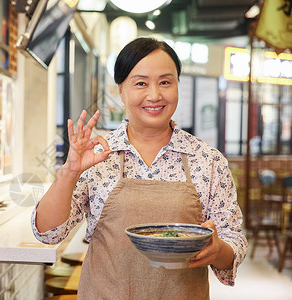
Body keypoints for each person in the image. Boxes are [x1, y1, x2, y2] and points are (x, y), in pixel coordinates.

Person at [31, 37, 248, 299]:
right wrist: (69, 171)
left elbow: (234, 243)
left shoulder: (208, 160)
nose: (155, 95)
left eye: (165, 82)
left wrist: (218, 250)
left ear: (178, 85)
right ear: (120, 90)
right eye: (141, 83)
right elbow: (49, 234)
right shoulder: (96, 154)